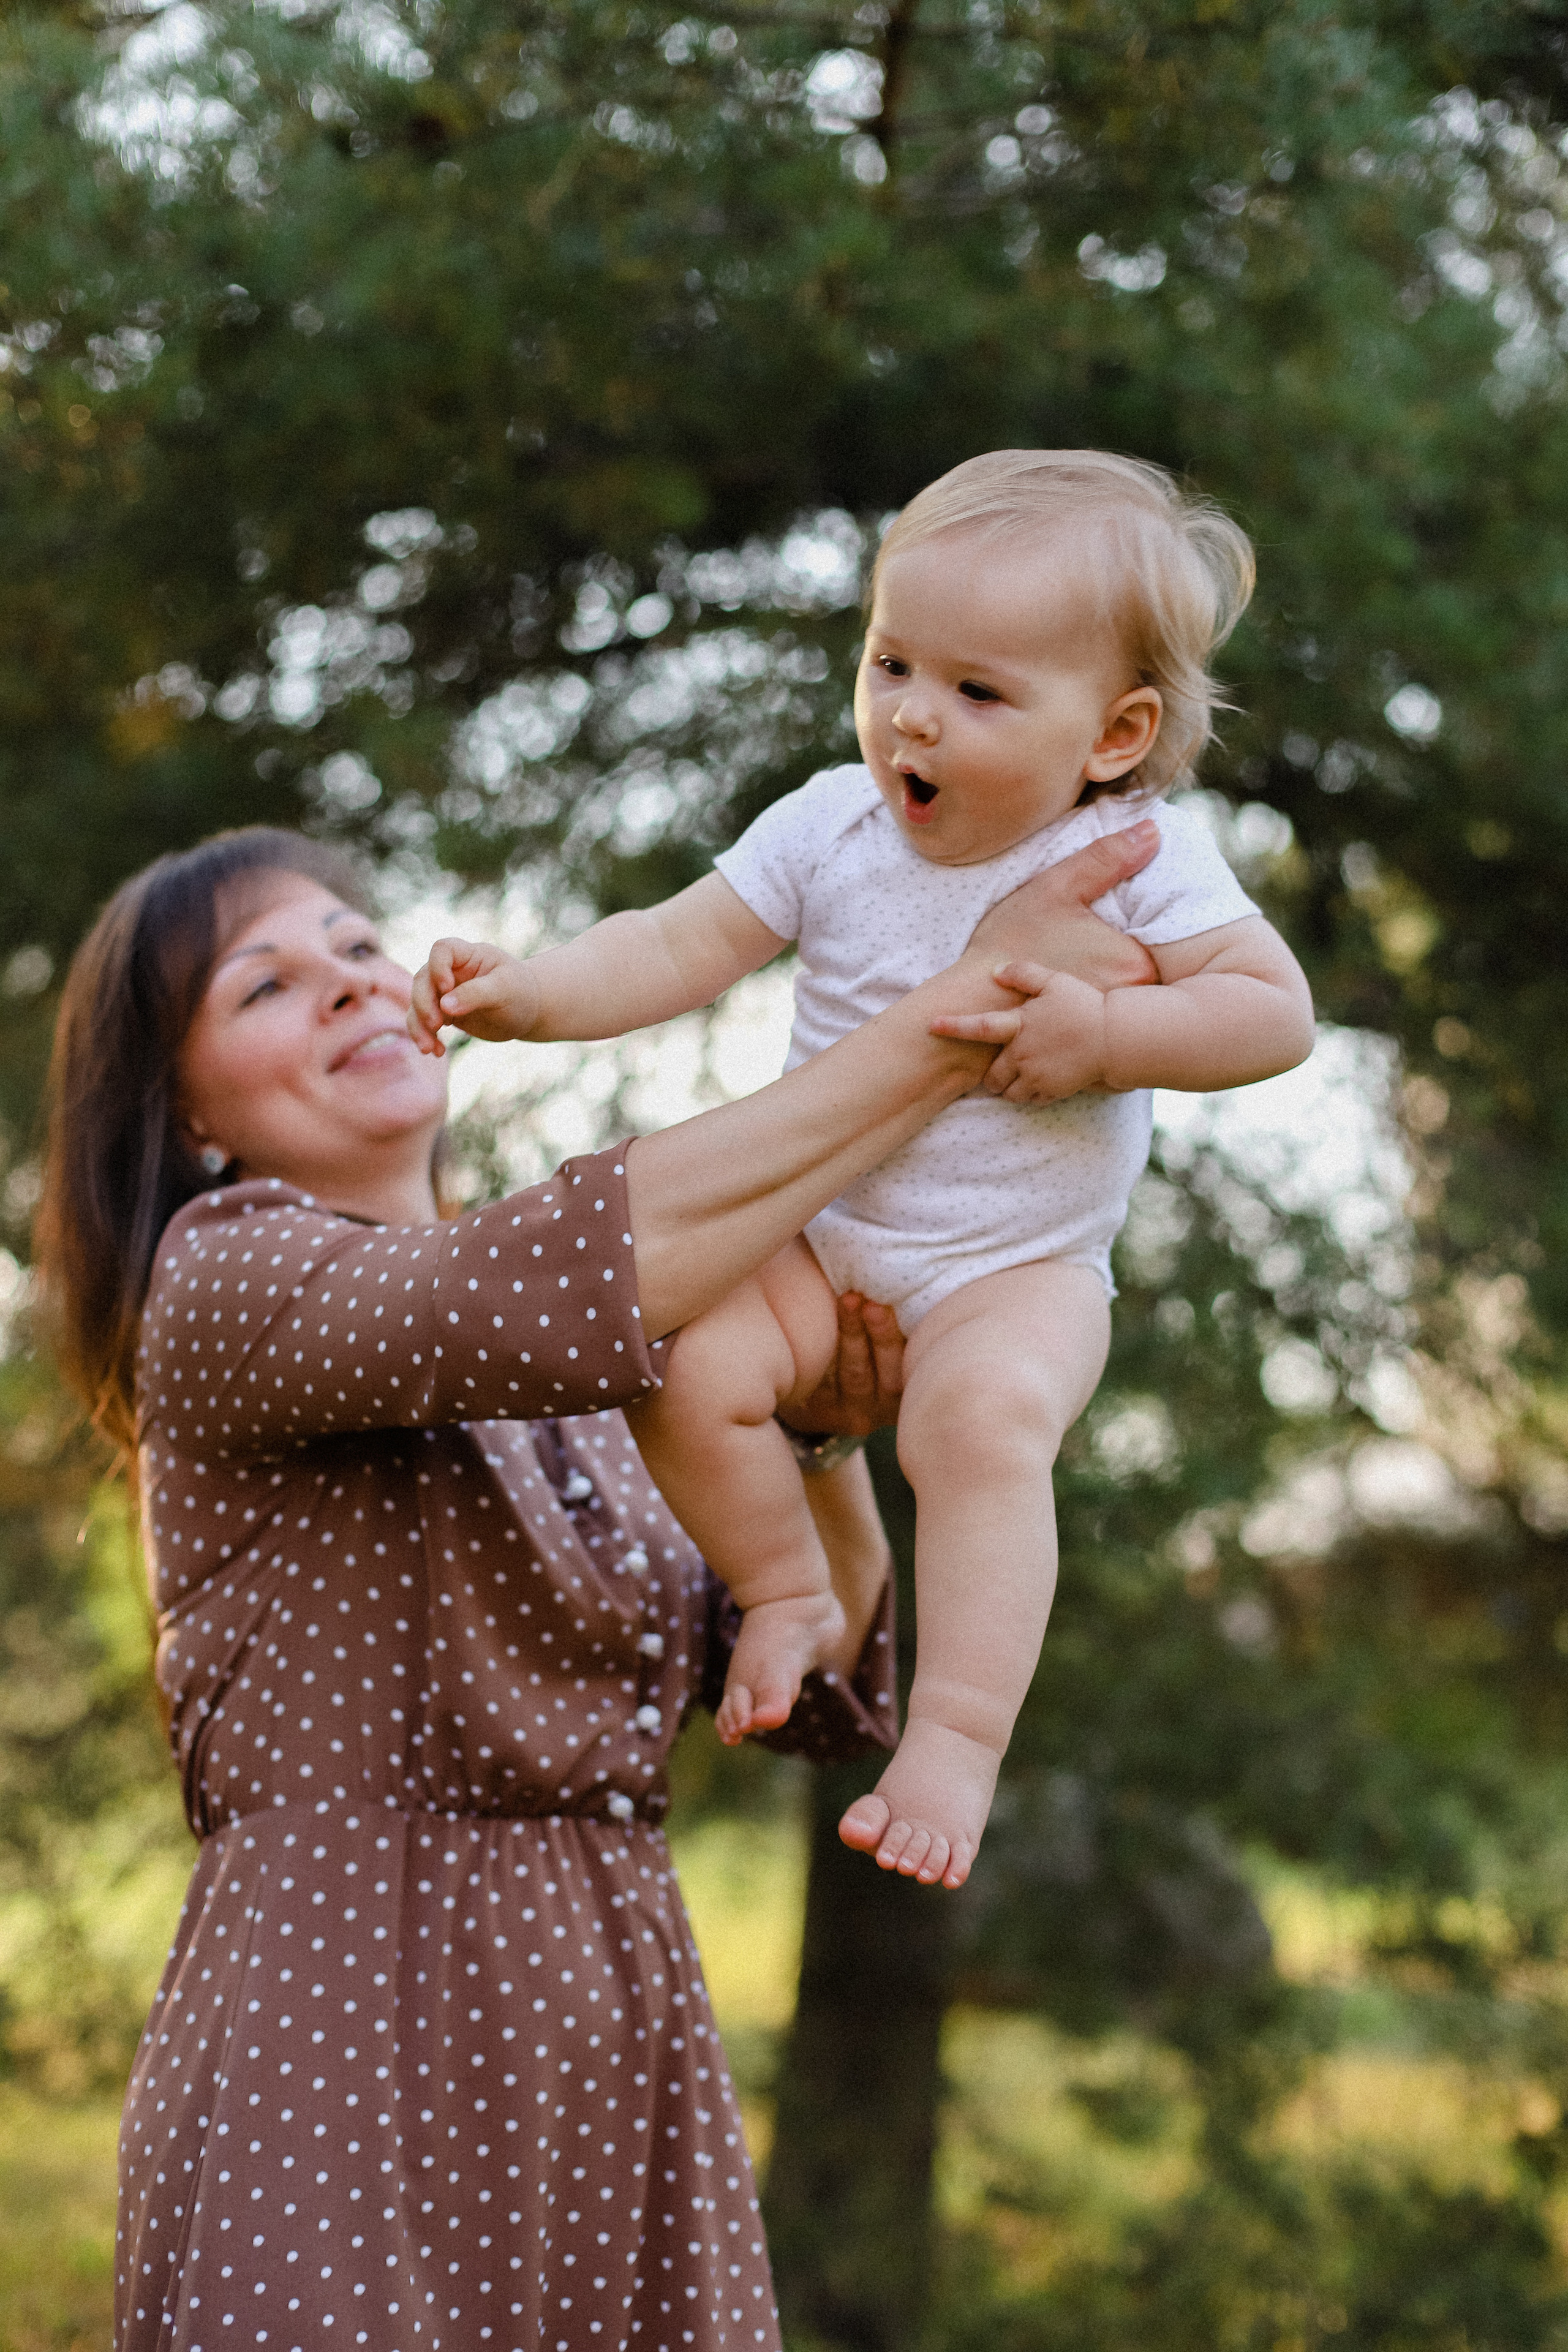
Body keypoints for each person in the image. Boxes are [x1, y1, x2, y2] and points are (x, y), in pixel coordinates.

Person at [35, 816, 1161, 2352]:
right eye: (268, 986)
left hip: (608, 2039)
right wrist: (945, 1027)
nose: (351, 984)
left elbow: (818, 1677)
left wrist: (818, 1437)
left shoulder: (586, 1369)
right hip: (340, 2030)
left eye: (360, 948)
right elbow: (535, 1277)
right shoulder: (226, 1275)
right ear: (188, 1113)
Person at [408, 450, 1317, 1897]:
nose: (910, 713)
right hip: (822, 1241)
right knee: (683, 1354)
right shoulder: (830, 822)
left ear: (1112, 732)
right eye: (891, 661)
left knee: (979, 1434)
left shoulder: (1134, 852)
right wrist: (528, 992)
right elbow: (670, 945)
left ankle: (953, 1739)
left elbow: (1273, 1014)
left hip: (1010, 1271)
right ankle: (780, 1590)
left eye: (976, 692)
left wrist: (1107, 1031)